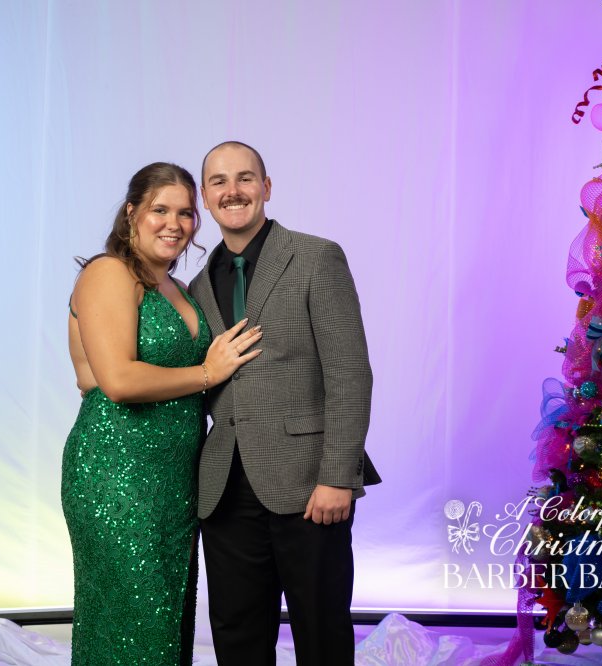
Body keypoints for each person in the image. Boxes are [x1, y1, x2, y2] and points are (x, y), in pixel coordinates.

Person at [61, 162, 262, 666]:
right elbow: (118, 381)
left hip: (174, 481)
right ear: (132, 212)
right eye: (160, 210)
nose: (175, 224)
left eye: (186, 213)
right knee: (134, 624)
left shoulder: (178, 287)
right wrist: (207, 373)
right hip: (116, 473)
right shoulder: (109, 272)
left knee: (168, 622)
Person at [189, 141, 378, 666]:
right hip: (225, 489)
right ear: (205, 196)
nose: (233, 191)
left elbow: (350, 373)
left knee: (321, 631)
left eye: (245, 178)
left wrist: (338, 476)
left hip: (309, 483)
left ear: (266, 187)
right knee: (237, 634)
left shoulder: (316, 257)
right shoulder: (197, 285)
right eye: (219, 181)